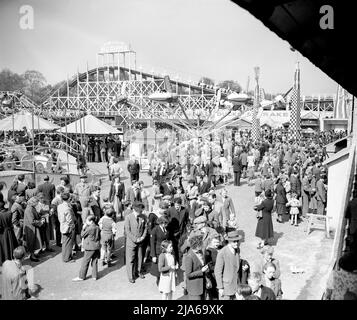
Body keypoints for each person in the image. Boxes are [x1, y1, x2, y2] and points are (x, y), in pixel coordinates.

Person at [214, 230, 250, 300]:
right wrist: (220, 287)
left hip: (237, 286)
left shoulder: (237, 250)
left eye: (237, 241)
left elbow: (237, 263)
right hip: (226, 287)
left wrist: (244, 266)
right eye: (234, 241)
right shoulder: (222, 253)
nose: (236, 243)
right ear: (229, 241)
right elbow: (217, 272)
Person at [124, 201, 147, 283]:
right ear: (134, 210)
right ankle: (131, 276)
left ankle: (139, 272)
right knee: (130, 259)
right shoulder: (128, 217)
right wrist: (135, 239)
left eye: (141, 210)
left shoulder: (143, 217)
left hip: (141, 242)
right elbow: (127, 230)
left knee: (140, 258)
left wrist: (142, 237)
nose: (140, 212)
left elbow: (145, 228)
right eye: (139, 211)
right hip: (131, 242)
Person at [72, 215, 101, 282]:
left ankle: (81, 276)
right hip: (96, 246)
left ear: (91, 221)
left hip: (89, 247)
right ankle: (95, 276)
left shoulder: (89, 228)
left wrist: (83, 228)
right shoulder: (97, 227)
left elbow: (82, 235)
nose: (85, 222)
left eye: (87, 221)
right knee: (94, 261)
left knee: (85, 262)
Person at [184, 235, 208, 300]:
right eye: (201, 244)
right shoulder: (189, 257)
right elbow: (188, 275)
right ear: (197, 245)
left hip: (202, 286)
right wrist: (201, 271)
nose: (203, 245)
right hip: (194, 288)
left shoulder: (200, 252)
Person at [150, 215, 170, 286]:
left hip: (165, 251)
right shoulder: (155, 230)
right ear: (161, 223)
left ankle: (163, 282)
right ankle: (159, 283)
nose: (166, 225)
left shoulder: (166, 229)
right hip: (158, 252)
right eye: (165, 223)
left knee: (164, 267)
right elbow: (152, 243)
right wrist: (153, 255)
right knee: (158, 269)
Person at [23, 197, 43, 262]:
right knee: (31, 241)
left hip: (33, 227)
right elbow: (32, 221)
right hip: (31, 228)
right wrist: (40, 222)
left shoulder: (31, 207)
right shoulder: (29, 209)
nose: (37, 204)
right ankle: (32, 255)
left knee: (34, 241)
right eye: (36, 203)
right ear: (33, 202)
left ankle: (33, 254)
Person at [57, 192, 76, 263]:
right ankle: (66, 258)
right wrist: (72, 226)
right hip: (68, 227)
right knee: (68, 243)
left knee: (65, 242)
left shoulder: (59, 206)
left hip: (62, 225)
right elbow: (69, 220)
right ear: (68, 199)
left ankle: (67, 256)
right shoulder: (67, 208)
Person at [0, 201, 18, 266]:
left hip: (2, 235)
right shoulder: (9, 212)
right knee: (11, 247)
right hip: (10, 232)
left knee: (4, 249)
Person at [205, 235, 220, 300]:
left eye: (218, 242)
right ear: (210, 243)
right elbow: (209, 265)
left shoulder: (215, 250)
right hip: (213, 275)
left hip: (215, 274)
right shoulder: (210, 252)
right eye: (215, 242)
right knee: (214, 293)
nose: (217, 244)